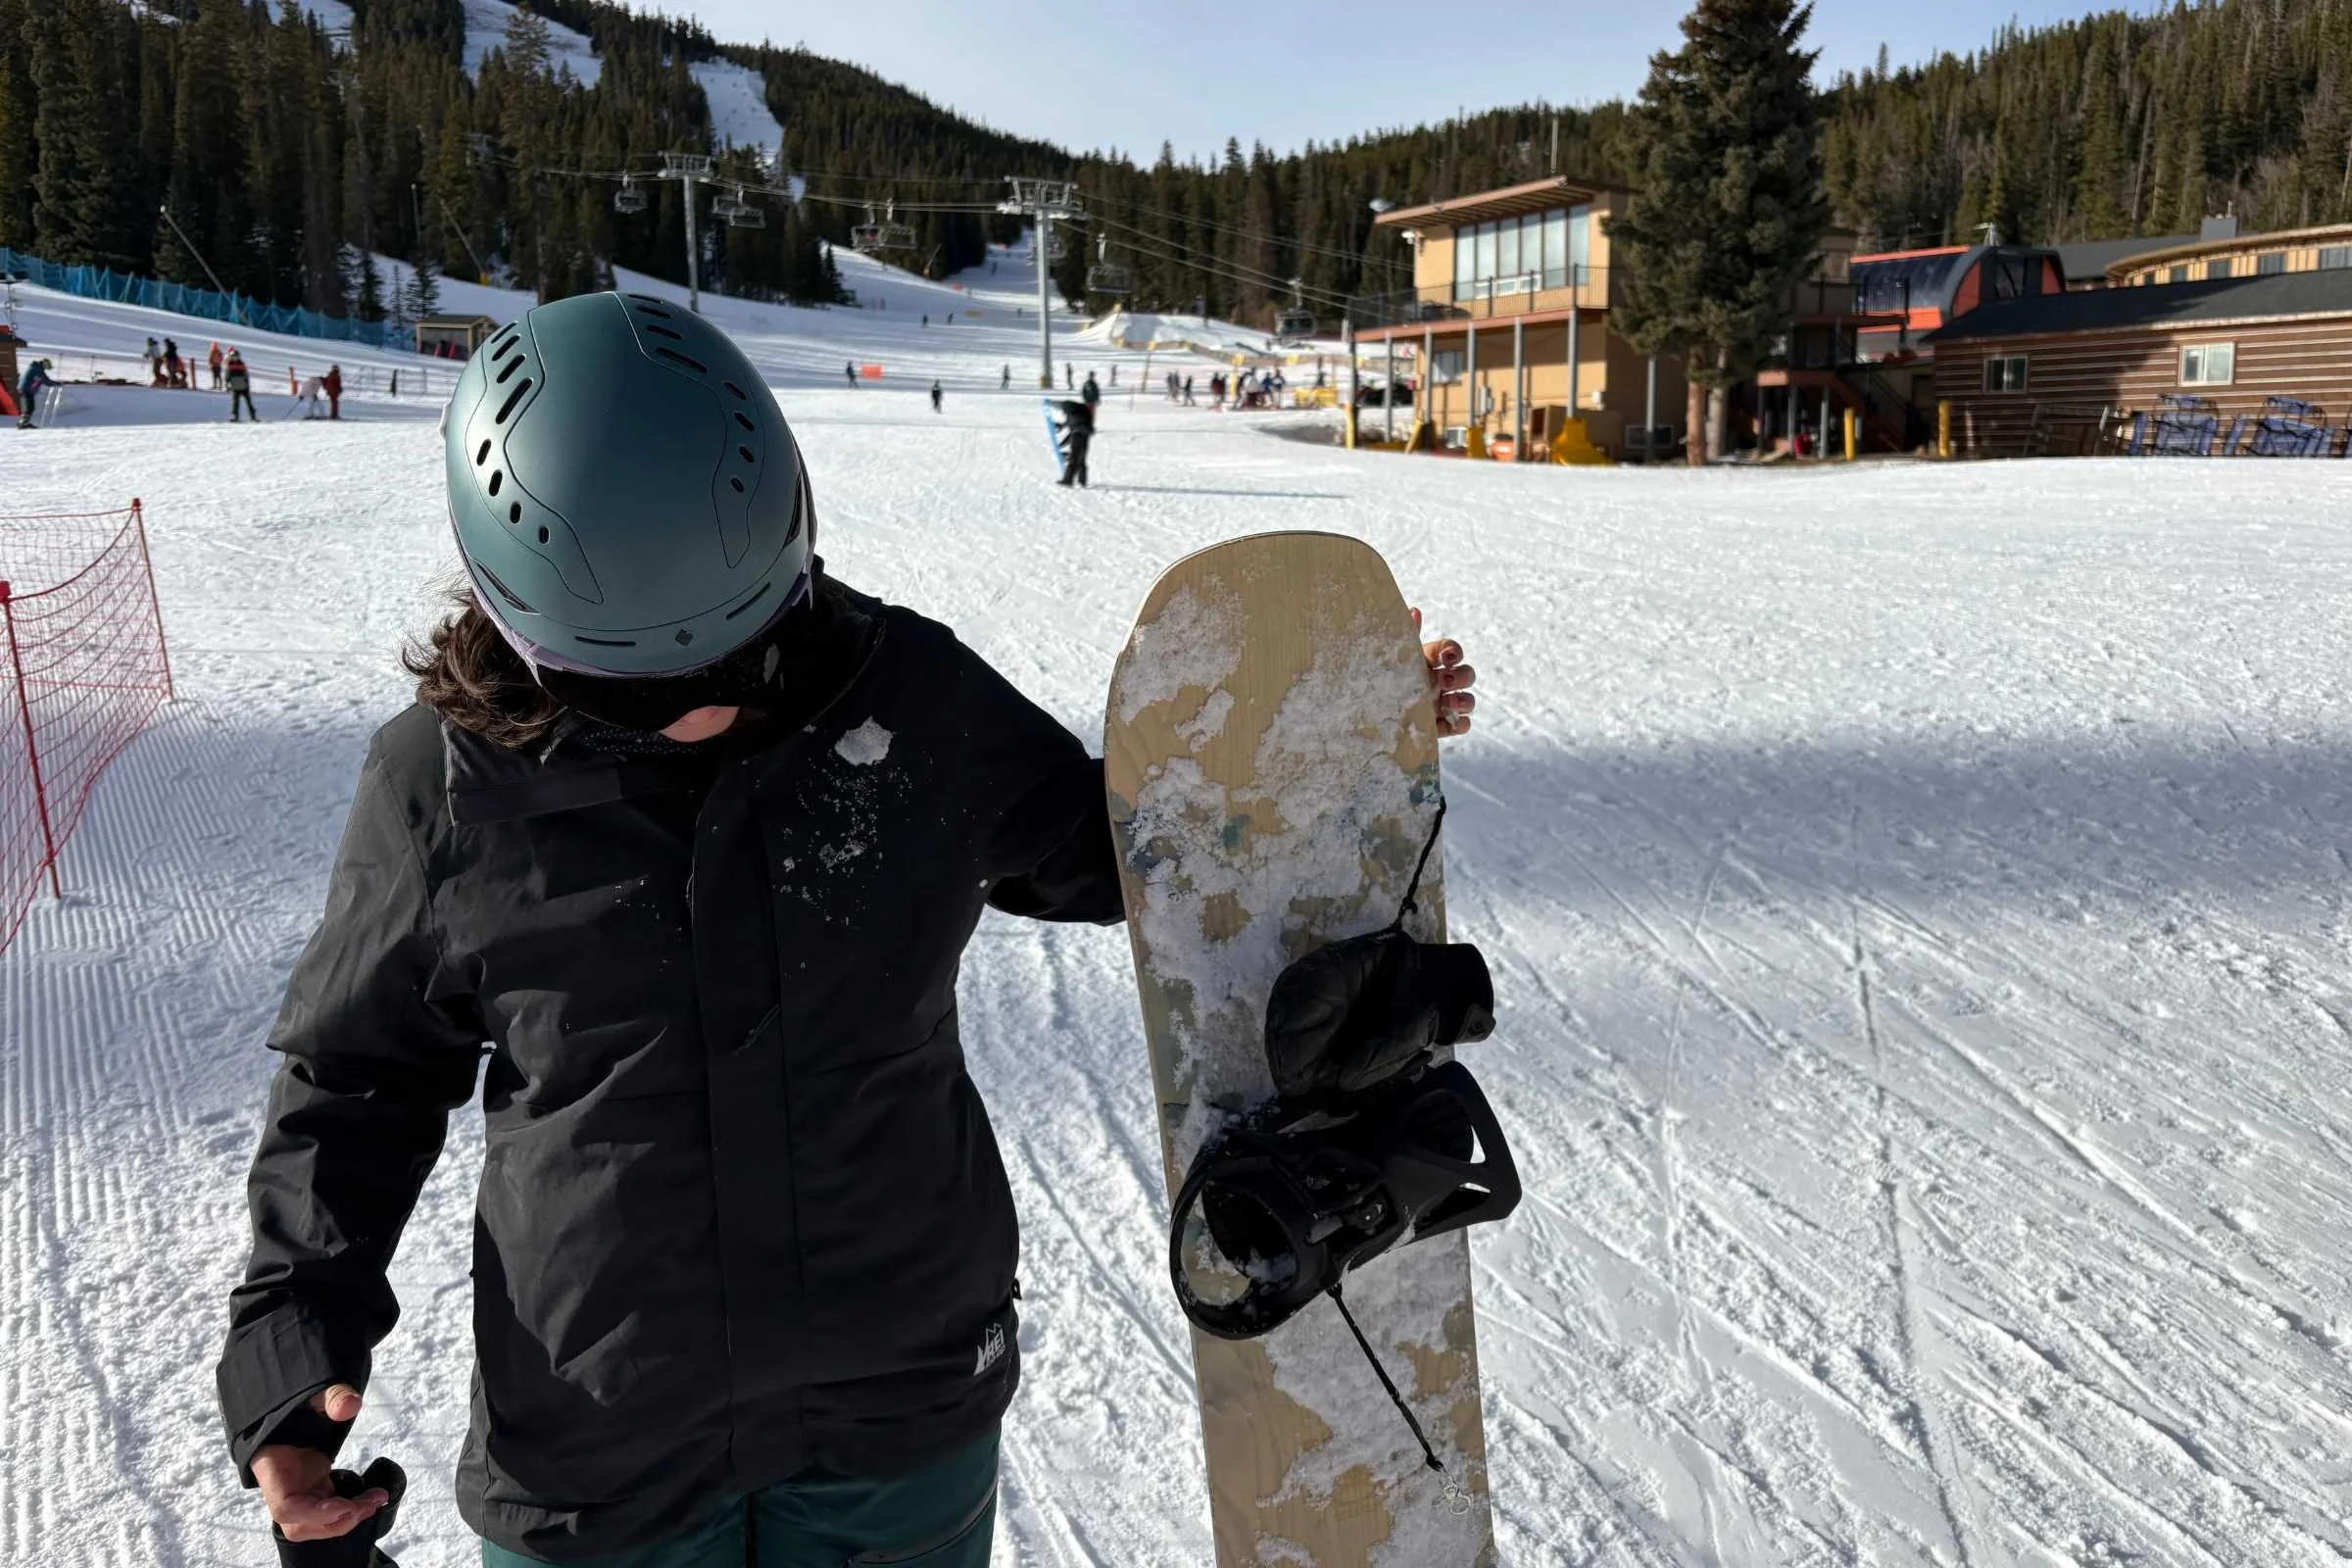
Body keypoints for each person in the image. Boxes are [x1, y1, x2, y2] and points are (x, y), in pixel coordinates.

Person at [214, 292, 1479, 1566]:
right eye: (636, 696)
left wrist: (1344, 740)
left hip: (901, 1409)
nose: (703, 720)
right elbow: (356, 1079)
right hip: (603, 1450)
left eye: (739, 664)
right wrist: (291, 1362)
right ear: (519, 617)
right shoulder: (444, 781)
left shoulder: (909, 703)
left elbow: (1135, 852)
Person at [1054, 397, 1093, 488]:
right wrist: (1061, 425)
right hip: (1085, 435)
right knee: (1082, 459)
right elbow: (1068, 422)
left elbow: (1071, 432)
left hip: (1078, 435)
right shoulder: (1080, 410)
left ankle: (1068, 480)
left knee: (1074, 459)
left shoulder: (1074, 415)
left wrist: (1061, 445)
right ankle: (1082, 481)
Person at [15, 357, 54, 429]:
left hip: (25, 389)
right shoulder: (38, 370)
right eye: (48, 367)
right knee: (29, 407)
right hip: (27, 389)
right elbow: (46, 381)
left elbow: (43, 380)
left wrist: (53, 383)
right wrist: (57, 383)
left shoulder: (35, 368)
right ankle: (23, 423)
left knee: (29, 407)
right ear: (45, 365)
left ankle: (24, 422)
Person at [224, 349, 257, 422]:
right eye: (234, 356)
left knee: (248, 401)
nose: (235, 358)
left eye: (236, 356)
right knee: (236, 402)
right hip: (235, 384)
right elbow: (227, 375)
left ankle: (252, 416)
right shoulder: (229, 364)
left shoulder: (241, 364)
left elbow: (245, 373)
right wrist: (227, 384)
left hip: (243, 384)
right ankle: (235, 416)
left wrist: (247, 382)